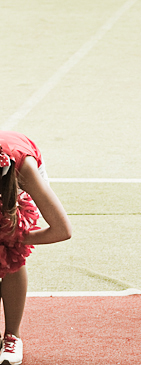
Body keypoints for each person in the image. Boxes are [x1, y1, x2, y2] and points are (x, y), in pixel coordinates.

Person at [0, 131, 72, 365]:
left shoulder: (24, 170)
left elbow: (62, 230)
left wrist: (14, 238)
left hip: (17, 177)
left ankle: (12, 335)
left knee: (10, 255)